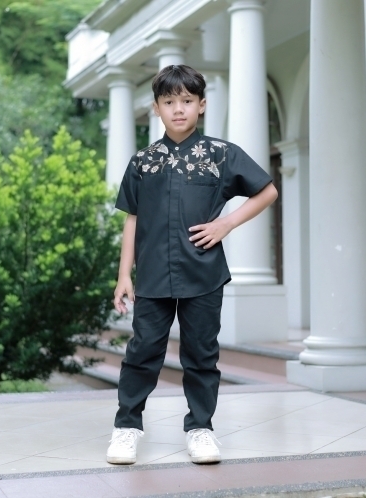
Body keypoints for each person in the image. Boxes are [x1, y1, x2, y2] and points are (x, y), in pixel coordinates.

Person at [106, 65, 278, 465]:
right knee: (142, 351)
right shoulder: (142, 162)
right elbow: (132, 219)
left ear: (202, 105)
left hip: (204, 273)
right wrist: (124, 275)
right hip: (152, 276)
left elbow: (266, 191)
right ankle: (126, 427)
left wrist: (226, 224)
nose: (178, 109)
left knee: (201, 354)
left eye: (186, 101)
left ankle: (201, 428)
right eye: (169, 102)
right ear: (156, 108)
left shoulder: (221, 154)